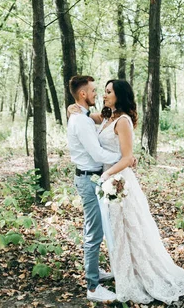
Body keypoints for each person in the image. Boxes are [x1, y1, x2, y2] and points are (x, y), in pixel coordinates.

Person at [85, 79, 184, 304]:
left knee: (128, 228)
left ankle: (136, 274)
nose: (104, 96)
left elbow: (127, 158)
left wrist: (106, 176)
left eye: (108, 92)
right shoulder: (107, 117)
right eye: (103, 92)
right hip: (108, 179)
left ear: (119, 96)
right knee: (115, 229)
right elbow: (85, 116)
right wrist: (73, 107)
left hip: (117, 181)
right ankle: (123, 270)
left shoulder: (123, 121)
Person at [66, 75, 119, 303]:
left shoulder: (84, 116)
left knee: (98, 228)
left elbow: (97, 119)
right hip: (89, 180)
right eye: (94, 91)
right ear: (83, 94)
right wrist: (123, 157)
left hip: (95, 178)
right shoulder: (79, 121)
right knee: (93, 232)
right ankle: (93, 288)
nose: (97, 94)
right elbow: (97, 154)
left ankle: (95, 273)